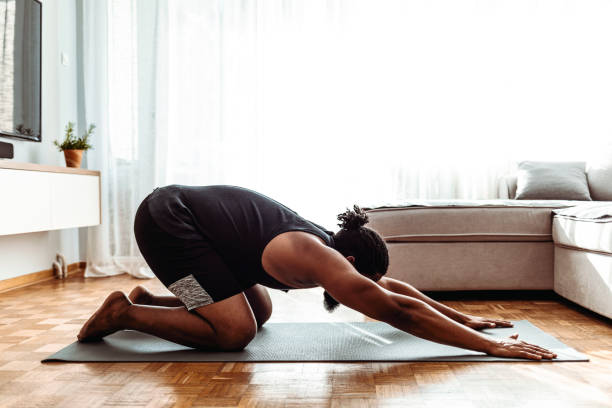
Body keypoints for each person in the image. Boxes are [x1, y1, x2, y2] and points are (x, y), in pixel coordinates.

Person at [78, 185, 556, 360]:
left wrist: (463, 318)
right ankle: (125, 314)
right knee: (235, 332)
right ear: (349, 265)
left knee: (259, 311)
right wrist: (490, 347)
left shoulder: (331, 253)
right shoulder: (314, 254)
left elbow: (395, 291)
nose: (364, 291)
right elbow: (397, 311)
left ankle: (146, 302)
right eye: (361, 281)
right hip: (168, 227)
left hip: (205, 239)